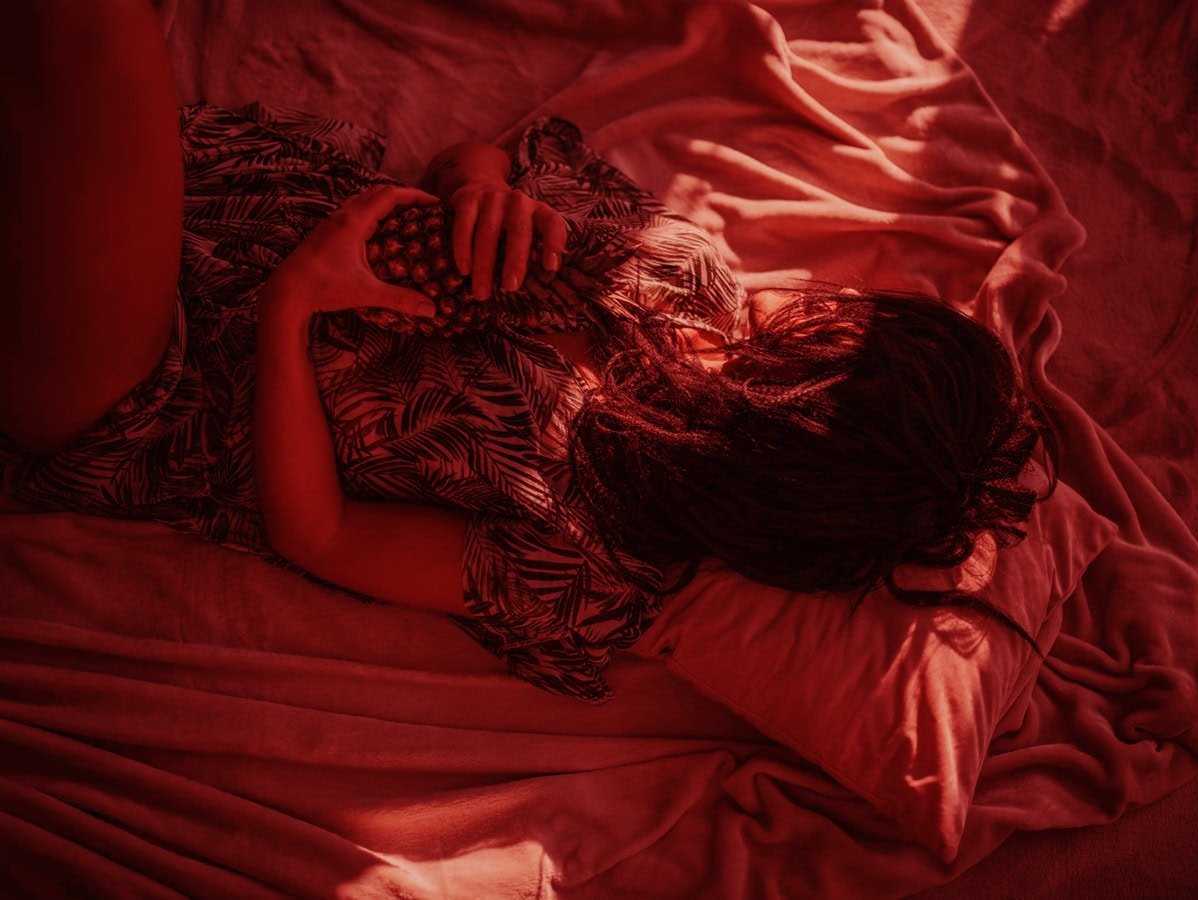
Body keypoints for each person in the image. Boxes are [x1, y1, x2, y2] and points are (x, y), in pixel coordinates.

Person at [0, 0, 1058, 704]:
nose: (830, 305)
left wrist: (293, 309)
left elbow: (319, 535)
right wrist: (481, 191)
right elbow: (470, 160)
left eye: (842, 334)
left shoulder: (596, 571)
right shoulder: (688, 277)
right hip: (229, 190)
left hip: (163, 383)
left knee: (91, 34)